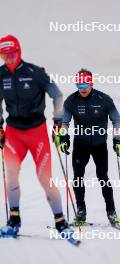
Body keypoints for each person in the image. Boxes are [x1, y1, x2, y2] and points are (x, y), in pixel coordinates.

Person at [0, 35, 72, 236]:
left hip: (36, 132)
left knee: (44, 177)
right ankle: (13, 221)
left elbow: (57, 94)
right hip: (13, 132)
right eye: (4, 55)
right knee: (11, 174)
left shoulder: (35, 73)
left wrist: (58, 122)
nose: (9, 59)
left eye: (12, 54)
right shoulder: (1, 75)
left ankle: (61, 222)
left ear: (19, 52)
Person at [56, 68, 120, 227]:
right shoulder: (71, 101)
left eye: (85, 83)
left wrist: (117, 140)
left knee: (103, 177)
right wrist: (64, 138)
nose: (82, 88)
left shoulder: (104, 99)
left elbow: (117, 121)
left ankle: (112, 212)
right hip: (81, 145)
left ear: (91, 83)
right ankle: (81, 212)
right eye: (79, 84)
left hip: (100, 145)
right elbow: (64, 122)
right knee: (78, 178)